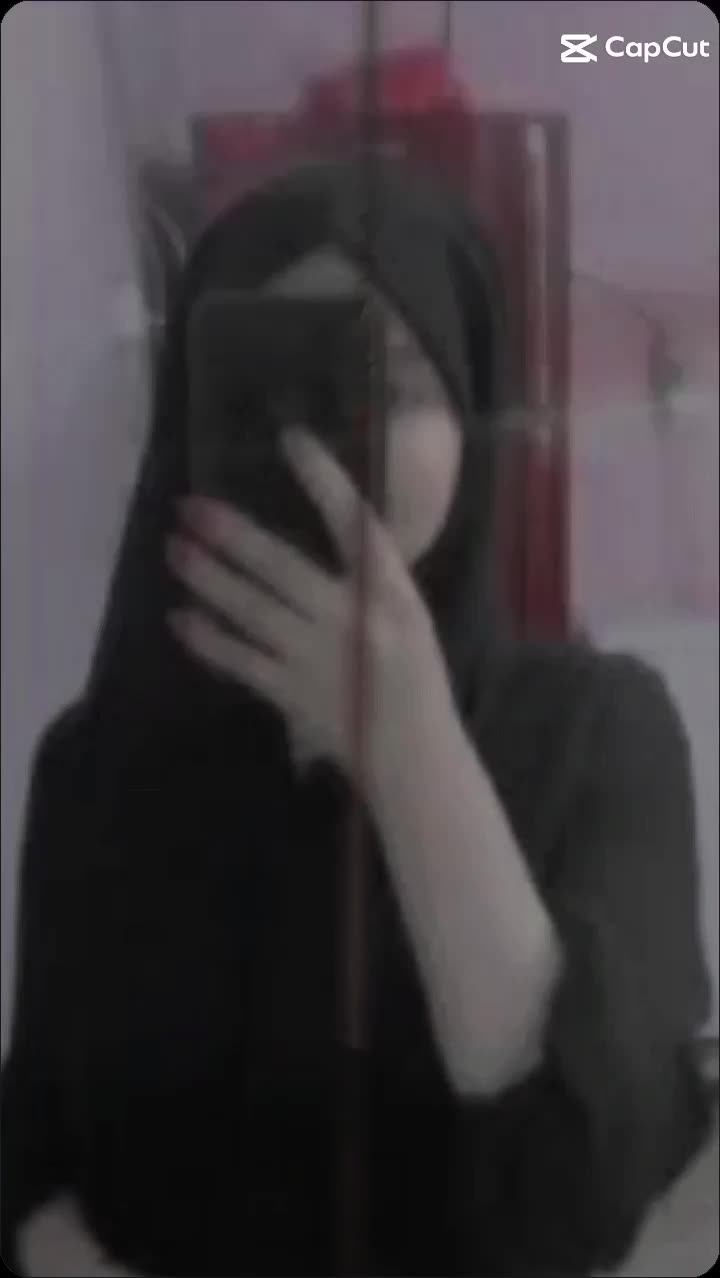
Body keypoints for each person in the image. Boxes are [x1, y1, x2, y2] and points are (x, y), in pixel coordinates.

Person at [1, 156, 714, 1278]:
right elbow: (30, 1141)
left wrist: (410, 750)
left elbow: (582, 1195)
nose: (322, 440)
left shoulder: (604, 735)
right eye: (266, 388)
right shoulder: (92, 764)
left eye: (395, 385)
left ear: (473, 426)